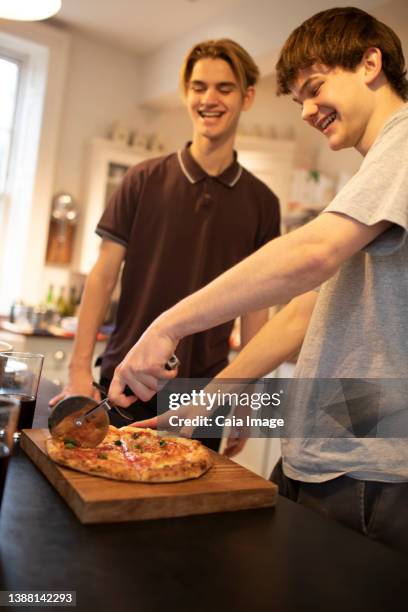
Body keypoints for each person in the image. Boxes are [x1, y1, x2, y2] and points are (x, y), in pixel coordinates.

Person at [109, 7, 408, 553]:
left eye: (315, 89)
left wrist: (166, 326)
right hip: (329, 460)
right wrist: (216, 398)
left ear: (371, 63)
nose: (307, 111)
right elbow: (305, 310)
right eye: (299, 101)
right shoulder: (376, 173)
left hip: (372, 476)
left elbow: (312, 254)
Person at [50, 38, 282, 450]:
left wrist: (246, 396)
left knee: (189, 510)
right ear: (185, 93)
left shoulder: (262, 202)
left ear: (247, 96)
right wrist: (78, 368)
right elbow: (102, 278)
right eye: (198, 86)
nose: (208, 99)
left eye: (224, 88)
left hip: (205, 395)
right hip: (126, 382)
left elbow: (255, 307)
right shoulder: (142, 179)